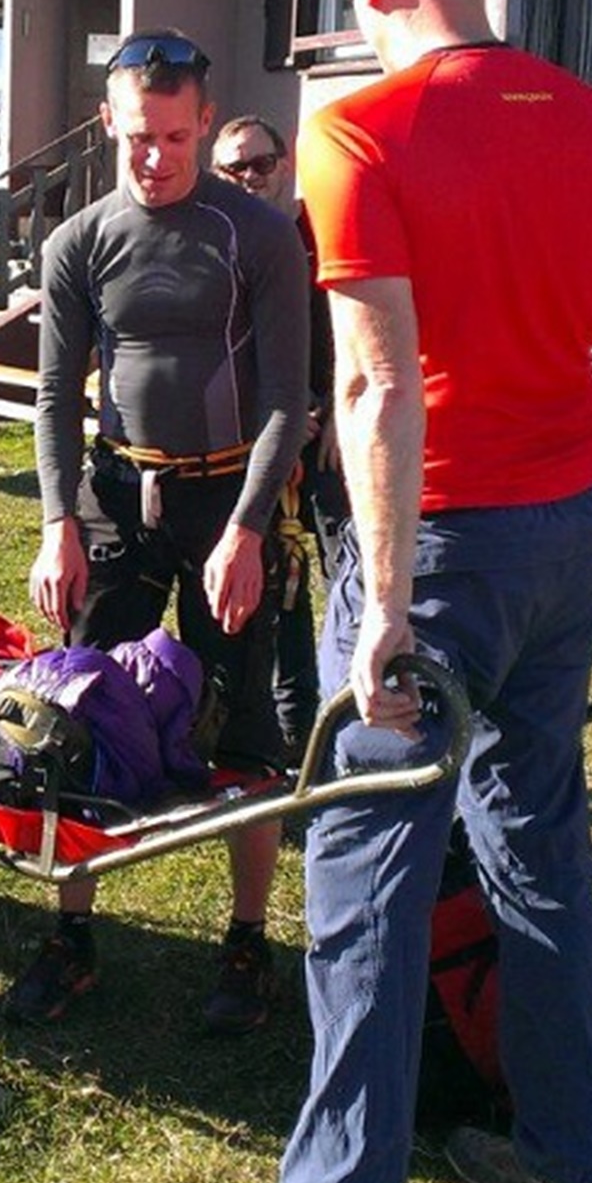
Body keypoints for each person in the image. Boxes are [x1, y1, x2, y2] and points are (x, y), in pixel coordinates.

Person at [278, 0, 592, 1183]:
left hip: (435, 558)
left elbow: (377, 387)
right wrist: (568, 485)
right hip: (562, 541)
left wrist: (382, 605)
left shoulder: (361, 134)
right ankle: (571, 1158)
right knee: (540, 846)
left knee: (368, 881)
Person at [14, 31, 310, 1033]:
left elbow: (285, 399)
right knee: (75, 711)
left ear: (201, 118)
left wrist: (245, 530)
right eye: (139, 138)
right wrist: (56, 520)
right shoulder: (77, 242)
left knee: (245, 730)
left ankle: (245, 937)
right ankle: (71, 933)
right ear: (109, 122)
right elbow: (55, 395)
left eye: (177, 137)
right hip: (113, 493)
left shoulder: (258, 234)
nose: (158, 158)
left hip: (227, 501)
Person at [212, 115, 349, 764]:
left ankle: (365, 728)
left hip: (333, 438)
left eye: (259, 165)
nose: (248, 179)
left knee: (351, 579)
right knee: (280, 591)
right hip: (262, 442)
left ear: (284, 164)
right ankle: (296, 731)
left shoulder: (320, 232)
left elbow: (359, 327)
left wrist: (340, 412)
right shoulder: (219, 243)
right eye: (233, 170)